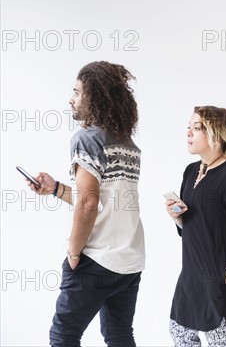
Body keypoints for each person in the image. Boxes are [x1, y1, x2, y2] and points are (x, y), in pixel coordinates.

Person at [24, 61, 145, 346]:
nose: (71, 98)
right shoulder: (127, 144)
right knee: (119, 336)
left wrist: (74, 252)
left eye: (77, 93)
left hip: (96, 260)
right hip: (129, 260)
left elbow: (89, 203)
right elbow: (100, 200)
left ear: (96, 98)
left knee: (63, 335)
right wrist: (55, 189)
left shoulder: (87, 139)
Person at [166, 106, 226, 347]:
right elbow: (193, 222)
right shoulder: (191, 172)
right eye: (188, 127)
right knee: (179, 331)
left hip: (217, 273)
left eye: (196, 128)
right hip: (191, 271)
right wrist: (177, 216)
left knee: (218, 336)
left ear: (216, 136)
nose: (188, 132)